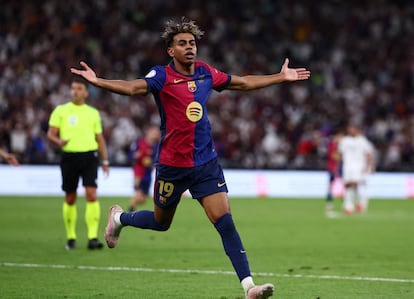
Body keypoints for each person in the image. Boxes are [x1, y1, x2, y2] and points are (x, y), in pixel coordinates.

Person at [71, 17, 310, 299]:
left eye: (193, 43)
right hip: (172, 165)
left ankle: (249, 287)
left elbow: (243, 83)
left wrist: (280, 77)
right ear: (171, 50)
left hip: (205, 164)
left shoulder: (206, 73)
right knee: (161, 223)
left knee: (225, 222)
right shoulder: (161, 76)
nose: (189, 47)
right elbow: (133, 88)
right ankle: (121, 218)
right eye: (182, 43)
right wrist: (97, 81)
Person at [47, 77, 110, 250]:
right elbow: (51, 133)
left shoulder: (93, 113)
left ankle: (92, 238)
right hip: (69, 157)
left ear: (86, 93)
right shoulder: (61, 110)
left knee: (91, 194)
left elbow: (100, 138)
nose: (75, 91)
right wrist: (57, 141)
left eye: (79, 88)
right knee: (70, 197)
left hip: (89, 157)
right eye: (73, 88)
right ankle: (71, 237)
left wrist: (105, 161)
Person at [338, 123, 375, 215]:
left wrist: (370, 166)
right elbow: (340, 153)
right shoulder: (345, 140)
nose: (350, 130)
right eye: (349, 128)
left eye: (352, 128)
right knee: (347, 185)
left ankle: (360, 202)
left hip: (359, 166)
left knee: (355, 185)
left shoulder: (362, 141)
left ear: (356, 130)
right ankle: (349, 206)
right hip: (347, 166)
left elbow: (369, 154)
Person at [128, 125, 160, 211]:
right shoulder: (139, 143)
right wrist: (136, 155)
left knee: (143, 199)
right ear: (148, 132)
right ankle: (130, 213)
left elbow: (156, 158)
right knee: (138, 193)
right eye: (153, 132)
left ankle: (131, 208)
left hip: (148, 174)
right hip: (139, 172)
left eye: (156, 132)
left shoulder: (157, 146)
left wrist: (154, 164)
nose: (155, 134)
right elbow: (131, 154)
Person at [325, 128, 343, 216]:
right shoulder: (332, 144)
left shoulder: (341, 145)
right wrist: (341, 156)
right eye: (340, 137)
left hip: (341, 168)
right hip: (333, 168)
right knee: (331, 186)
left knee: (343, 187)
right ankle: (329, 204)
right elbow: (333, 156)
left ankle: (345, 205)